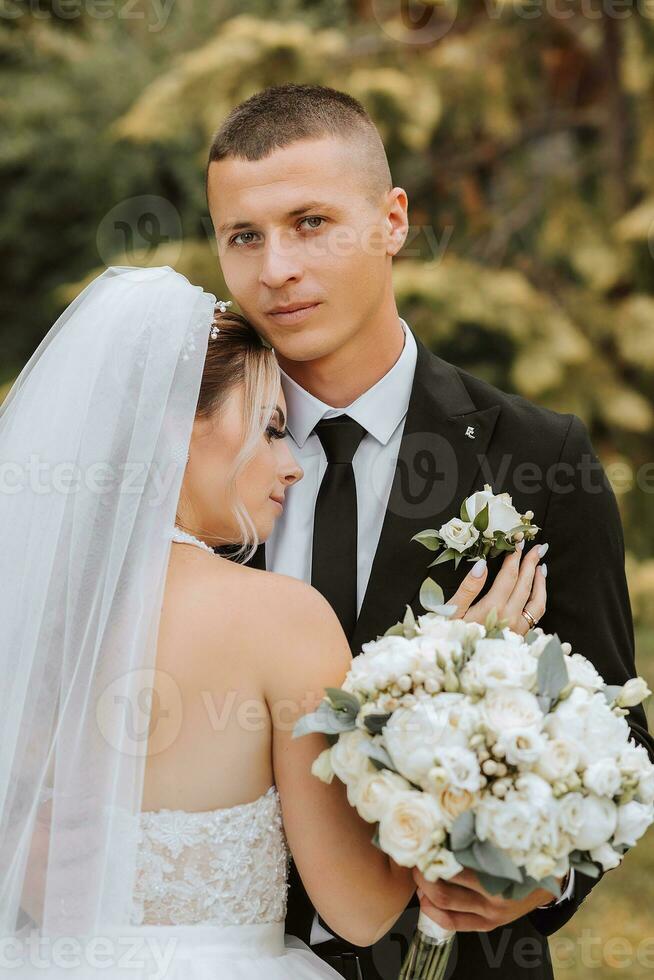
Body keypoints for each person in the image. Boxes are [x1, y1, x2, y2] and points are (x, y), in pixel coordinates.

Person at [205, 83, 654, 979]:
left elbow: (621, 737)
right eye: (243, 236)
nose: (276, 269)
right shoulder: (185, 460)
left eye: (311, 222)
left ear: (393, 221)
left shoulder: (536, 456)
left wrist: (536, 880)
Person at [0, 265, 545, 979]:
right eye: (272, 427)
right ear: (173, 427)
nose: (291, 465)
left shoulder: (35, 614)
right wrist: (457, 689)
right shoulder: (280, 618)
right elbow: (360, 909)